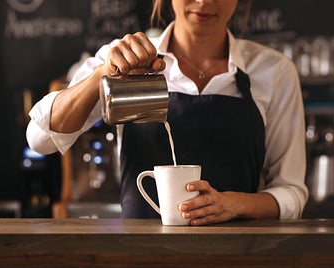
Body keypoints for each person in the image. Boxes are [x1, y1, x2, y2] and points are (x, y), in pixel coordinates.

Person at [26, 0, 308, 225]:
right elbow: (40, 139)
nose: (204, 1)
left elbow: (290, 192)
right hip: (142, 261)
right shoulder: (123, 59)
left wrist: (234, 204)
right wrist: (103, 74)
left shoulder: (274, 71)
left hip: (237, 261)